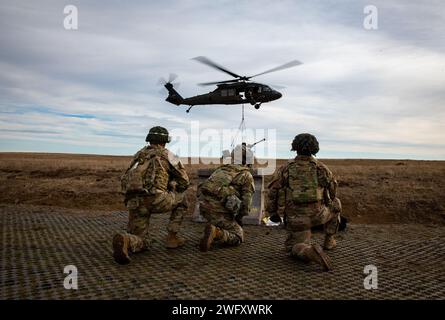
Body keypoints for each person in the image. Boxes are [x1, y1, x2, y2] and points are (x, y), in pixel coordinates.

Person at [112, 126, 190, 264]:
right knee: (183, 199)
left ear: (149, 139)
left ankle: (128, 240)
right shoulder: (169, 155)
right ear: (165, 141)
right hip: (157, 200)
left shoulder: (139, 154)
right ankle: (172, 238)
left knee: (142, 241)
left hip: (135, 201)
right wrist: (172, 186)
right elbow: (184, 182)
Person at [266, 133, 342, 271]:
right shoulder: (321, 168)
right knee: (337, 204)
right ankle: (329, 240)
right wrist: (329, 202)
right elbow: (332, 189)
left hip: (296, 219)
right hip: (318, 216)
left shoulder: (286, 168)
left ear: (295, 147)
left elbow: (273, 191)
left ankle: (309, 252)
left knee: (293, 247)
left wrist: (272, 212)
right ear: (314, 148)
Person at [198, 144, 255, 251]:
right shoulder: (246, 175)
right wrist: (239, 218)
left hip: (204, 210)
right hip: (219, 213)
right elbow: (246, 204)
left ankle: (215, 226)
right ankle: (217, 232)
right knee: (238, 236)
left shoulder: (220, 170)